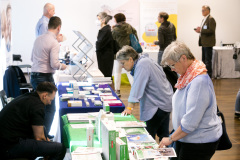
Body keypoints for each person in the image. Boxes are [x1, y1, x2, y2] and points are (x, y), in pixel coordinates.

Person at [159, 41, 222, 160]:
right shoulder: (189, 74)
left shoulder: (198, 82)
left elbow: (190, 122)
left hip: (199, 142)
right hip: (185, 137)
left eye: (173, 65)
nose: (172, 69)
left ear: (183, 58)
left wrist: (171, 138)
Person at [118, 45, 173, 141]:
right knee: (164, 136)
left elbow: (137, 86)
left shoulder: (142, 64)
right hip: (165, 102)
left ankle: (151, 155)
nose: (122, 67)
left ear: (130, 59)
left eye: (123, 63)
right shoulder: (145, 61)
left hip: (157, 105)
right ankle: (165, 155)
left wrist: (129, 107)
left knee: (147, 137)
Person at [0, 82, 66, 160]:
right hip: (10, 146)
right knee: (60, 149)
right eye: (50, 100)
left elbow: (41, 129)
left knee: (44, 130)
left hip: (6, 140)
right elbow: (39, 138)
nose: (50, 103)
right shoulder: (37, 106)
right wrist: (48, 149)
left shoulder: (29, 96)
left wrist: (48, 143)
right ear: (45, 95)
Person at [31, 16, 67, 138]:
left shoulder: (38, 39)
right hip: (45, 77)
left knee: (39, 107)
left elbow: (32, 58)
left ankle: (39, 135)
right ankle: (43, 136)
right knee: (50, 108)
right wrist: (65, 66)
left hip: (34, 76)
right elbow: (54, 64)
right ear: (59, 27)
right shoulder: (54, 42)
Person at [112, 13, 139, 97]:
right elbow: (136, 39)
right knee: (130, 72)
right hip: (128, 54)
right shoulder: (130, 27)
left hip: (118, 54)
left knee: (117, 73)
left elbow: (112, 43)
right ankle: (135, 91)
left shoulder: (114, 30)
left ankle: (117, 90)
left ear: (116, 20)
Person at [195, 5, 216, 78]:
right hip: (204, 43)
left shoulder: (211, 19)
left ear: (208, 11)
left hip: (208, 43)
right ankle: (204, 75)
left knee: (207, 61)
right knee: (204, 60)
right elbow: (205, 30)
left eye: (203, 10)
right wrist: (199, 30)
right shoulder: (204, 19)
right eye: (202, 10)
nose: (202, 12)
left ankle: (209, 76)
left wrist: (201, 30)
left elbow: (211, 30)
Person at [96, 12, 114, 80]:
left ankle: (110, 90)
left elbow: (99, 44)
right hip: (104, 55)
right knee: (106, 75)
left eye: (98, 19)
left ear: (103, 20)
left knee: (106, 76)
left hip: (105, 56)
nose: (97, 21)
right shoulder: (105, 29)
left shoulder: (106, 30)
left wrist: (96, 44)